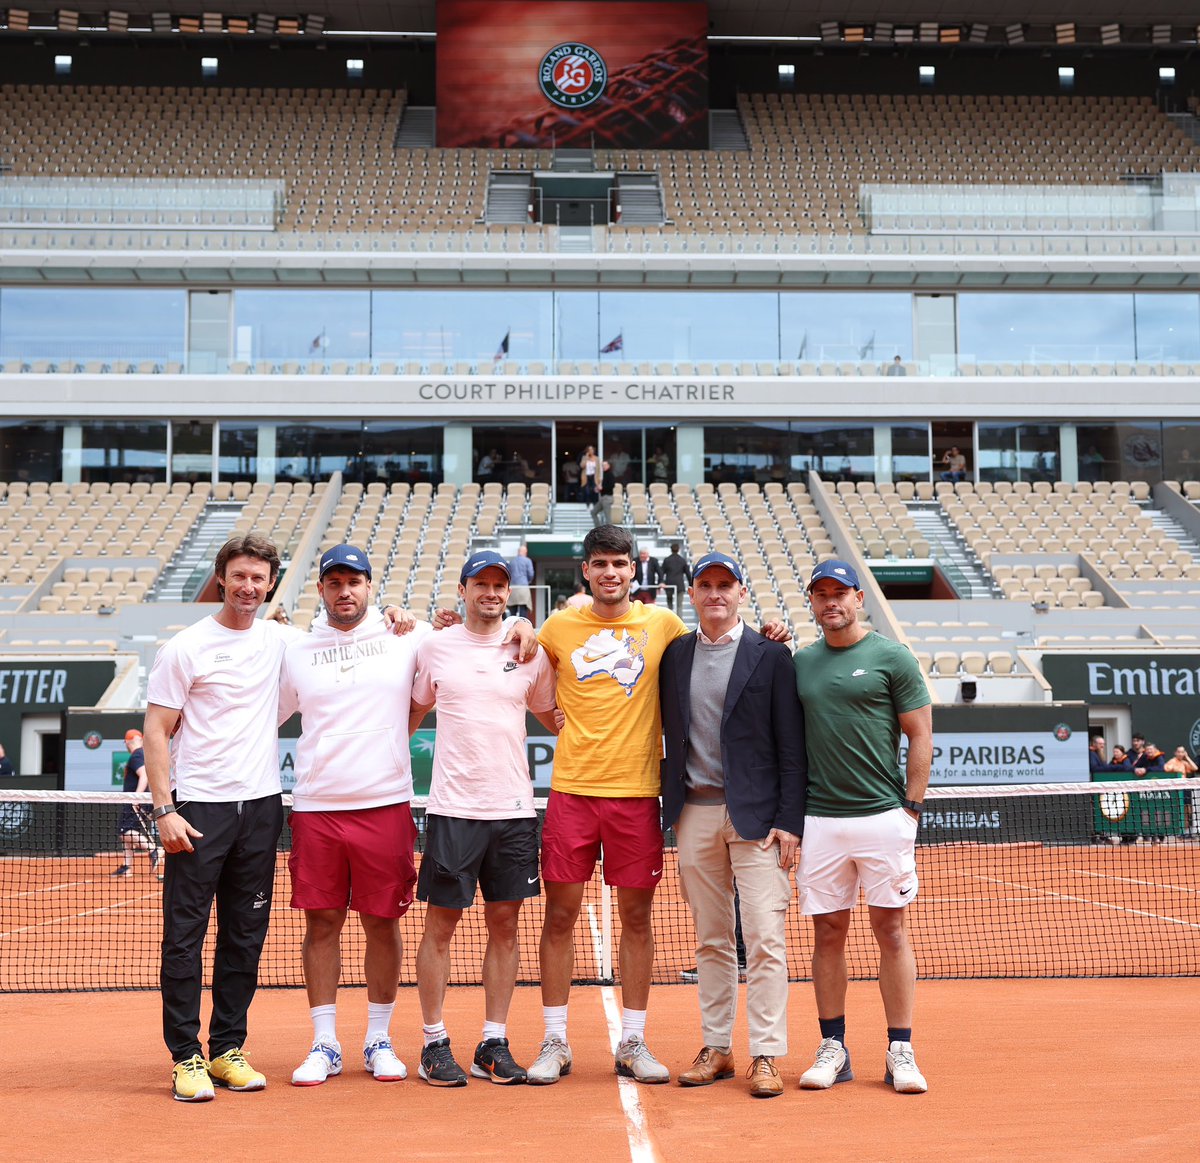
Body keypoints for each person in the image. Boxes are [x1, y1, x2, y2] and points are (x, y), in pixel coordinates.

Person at [526, 524, 692, 1085]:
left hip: (638, 794)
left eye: (619, 564)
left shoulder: (663, 624)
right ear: (586, 573)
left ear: (634, 569)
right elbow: (524, 667)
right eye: (600, 564)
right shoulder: (558, 626)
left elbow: (718, 644)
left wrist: (772, 631)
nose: (611, 574)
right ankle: (554, 1039)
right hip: (572, 792)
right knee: (559, 916)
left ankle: (634, 1040)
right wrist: (556, 721)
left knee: (638, 919)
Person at [144, 534, 293, 1103]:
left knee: (245, 936)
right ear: (221, 578)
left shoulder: (282, 640)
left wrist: (398, 618)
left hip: (260, 809)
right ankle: (185, 1057)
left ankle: (228, 1047)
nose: (249, 587)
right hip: (198, 809)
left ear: (271, 582)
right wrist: (165, 811)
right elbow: (157, 730)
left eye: (259, 578)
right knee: (184, 938)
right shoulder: (186, 647)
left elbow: (347, 639)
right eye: (239, 576)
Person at [277, 544, 432, 1089]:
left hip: (385, 803)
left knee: (382, 923)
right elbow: (266, 712)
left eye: (355, 581)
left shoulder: (406, 636)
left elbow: (457, 650)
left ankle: (378, 1039)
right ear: (321, 589)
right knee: (321, 923)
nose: (345, 591)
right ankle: (324, 1043)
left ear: (371, 587)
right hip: (317, 808)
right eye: (335, 582)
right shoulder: (293, 648)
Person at [409, 550, 559, 1087]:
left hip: (514, 811)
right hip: (453, 810)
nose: (492, 593)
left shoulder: (529, 650)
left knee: (506, 925)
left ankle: (492, 1041)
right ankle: (433, 1043)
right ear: (464, 588)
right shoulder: (434, 646)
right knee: (441, 926)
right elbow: (413, 708)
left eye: (501, 585)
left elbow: (551, 713)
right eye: (482, 584)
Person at [660, 553, 806, 1098]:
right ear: (692, 594)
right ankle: (717, 1047)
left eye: (725, 584)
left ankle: (765, 1054)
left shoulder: (773, 655)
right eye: (705, 585)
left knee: (766, 939)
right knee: (712, 940)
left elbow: (793, 748)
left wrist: (791, 821)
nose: (715, 593)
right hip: (693, 813)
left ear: (741, 592)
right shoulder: (673, 655)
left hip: (760, 821)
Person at [793, 560, 934, 1095]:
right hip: (820, 820)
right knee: (828, 933)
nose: (831, 602)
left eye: (840, 593)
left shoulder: (892, 657)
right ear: (812, 601)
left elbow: (920, 734)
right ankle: (834, 1047)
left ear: (858, 599)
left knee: (891, 931)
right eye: (821, 594)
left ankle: (901, 1049)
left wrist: (910, 809)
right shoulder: (801, 663)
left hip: (883, 817)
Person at [111, 728, 163, 881]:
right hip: (138, 799)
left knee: (124, 831)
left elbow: (144, 775)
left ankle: (154, 850)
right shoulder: (142, 754)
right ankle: (127, 866)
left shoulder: (137, 754)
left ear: (128, 741)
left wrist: (137, 796)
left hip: (136, 800)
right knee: (127, 834)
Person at [660, 542, 692, 616]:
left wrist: (661, 581)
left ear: (671, 550)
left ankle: (670, 621)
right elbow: (688, 573)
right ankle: (679, 624)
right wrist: (691, 584)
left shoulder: (667, 560)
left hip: (669, 585)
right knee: (679, 606)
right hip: (679, 585)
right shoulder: (682, 560)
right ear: (678, 550)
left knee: (669, 605)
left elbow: (661, 572)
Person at [508, 543, 535, 621]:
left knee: (512, 612)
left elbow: (508, 574)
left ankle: (511, 627)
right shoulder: (527, 561)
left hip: (512, 588)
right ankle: (523, 627)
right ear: (525, 552)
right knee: (523, 612)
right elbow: (531, 574)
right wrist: (528, 581)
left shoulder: (512, 561)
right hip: (523, 587)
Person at [593, 460, 615, 527]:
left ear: (608, 466)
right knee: (593, 512)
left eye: (605, 465)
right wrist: (599, 489)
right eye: (602, 465)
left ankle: (610, 534)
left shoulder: (610, 474)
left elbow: (611, 486)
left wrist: (602, 488)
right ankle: (598, 529)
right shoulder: (604, 474)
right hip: (603, 498)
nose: (603, 466)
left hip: (607, 498)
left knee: (607, 517)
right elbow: (603, 487)